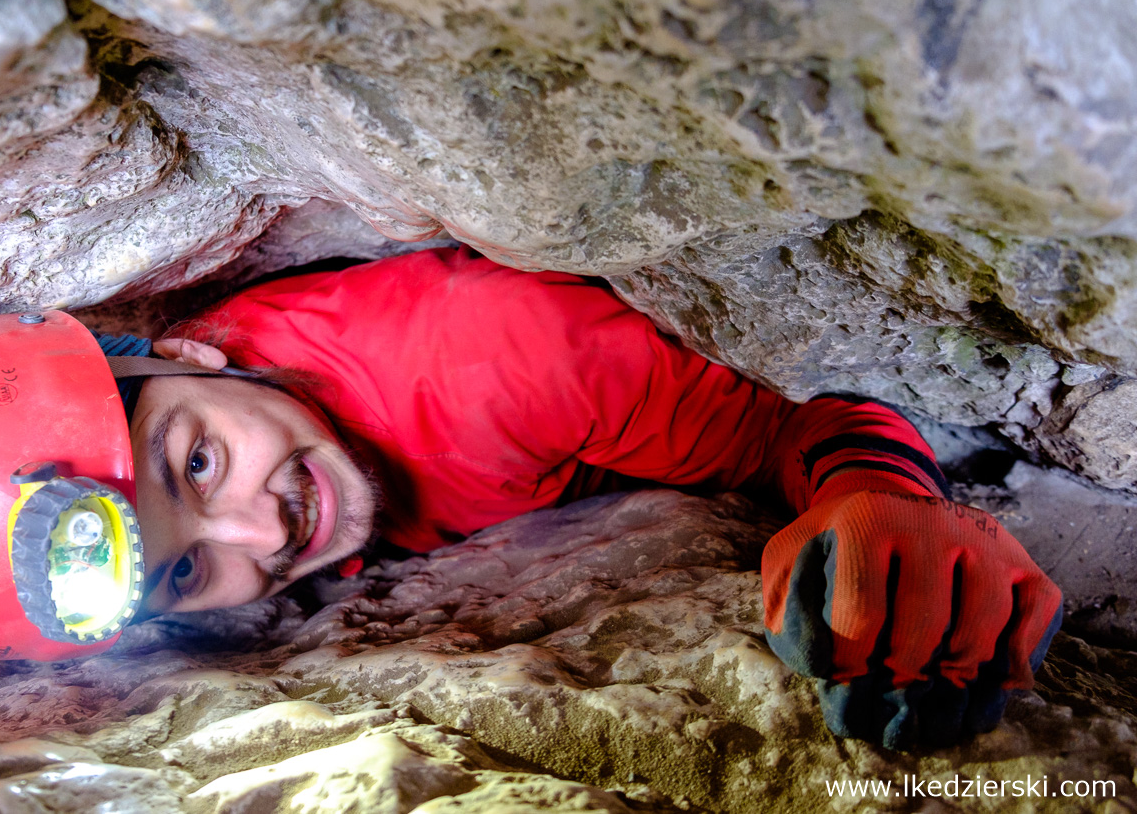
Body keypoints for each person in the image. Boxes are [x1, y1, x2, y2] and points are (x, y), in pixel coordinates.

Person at [101, 244, 1061, 751]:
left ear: (186, 354)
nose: (262, 531)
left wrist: (883, 498)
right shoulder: (199, 412)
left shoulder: (501, 355)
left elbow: (789, 422)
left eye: (195, 465)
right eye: (185, 568)